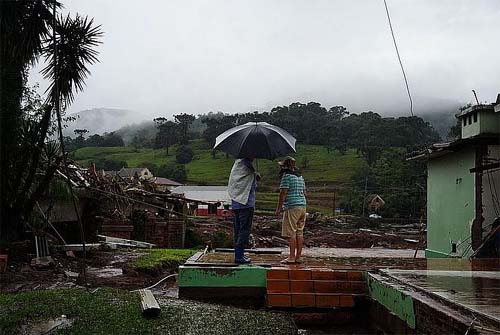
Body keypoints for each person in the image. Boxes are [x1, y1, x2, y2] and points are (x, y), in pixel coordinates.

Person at [228, 157, 260, 264]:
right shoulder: (248, 167)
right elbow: (252, 186)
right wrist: (256, 177)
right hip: (246, 203)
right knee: (244, 230)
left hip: (236, 203)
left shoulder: (236, 164)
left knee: (237, 230)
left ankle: (238, 254)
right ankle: (239, 256)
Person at [275, 156, 307, 264]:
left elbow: (283, 193)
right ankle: (298, 257)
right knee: (299, 232)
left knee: (291, 233)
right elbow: (305, 192)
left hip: (292, 207)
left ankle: (291, 257)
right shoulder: (300, 177)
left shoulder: (287, 176)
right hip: (302, 206)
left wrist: (278, 209)